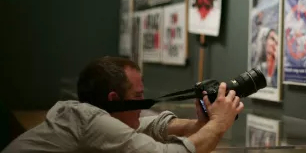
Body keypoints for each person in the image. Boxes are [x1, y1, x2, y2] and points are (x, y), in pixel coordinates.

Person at [2, 56, 244, 153]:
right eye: (138, 96)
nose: (142, 104)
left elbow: (150, 126)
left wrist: (200, 124)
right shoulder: (91, 123)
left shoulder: (87, 116)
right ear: (114, 101)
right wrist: (219, 122)